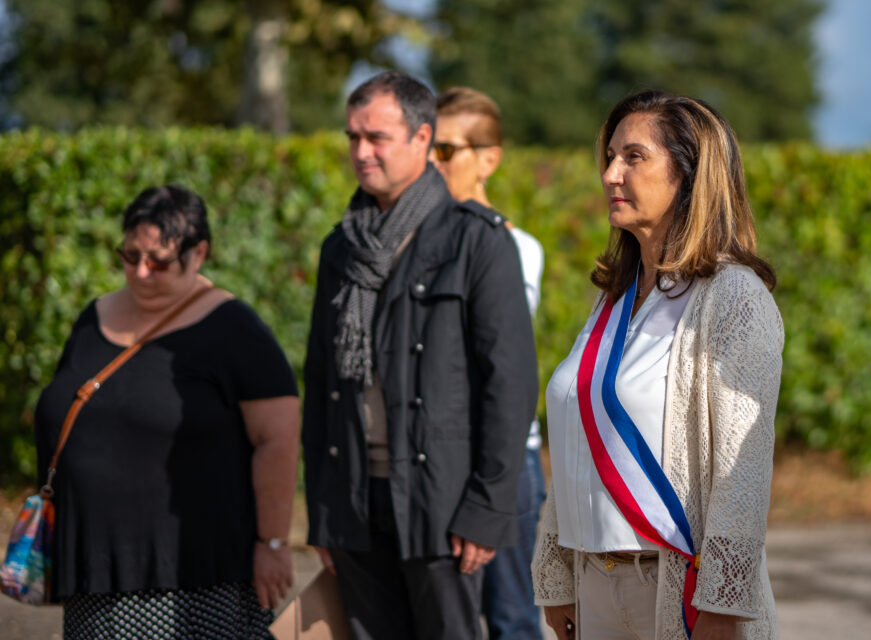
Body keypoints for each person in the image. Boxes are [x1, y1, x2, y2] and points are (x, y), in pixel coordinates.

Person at [532, 90, 784, 640]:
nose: (610, 175)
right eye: (610, 157)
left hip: (679, 590)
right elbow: (579, 437)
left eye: (634, 157)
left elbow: (742, 475)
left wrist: (722, 605)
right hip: (594, 584)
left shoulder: (733, 298)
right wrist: (556, 576)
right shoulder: (614, 300)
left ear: (688, 177)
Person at [302, 71, 538, 640]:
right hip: (355, 502)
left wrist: (487, 509)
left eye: (377, 137)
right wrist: (325, 511)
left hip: (443, 503)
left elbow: (509, 383)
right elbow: (321, 382)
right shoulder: (341, 246)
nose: (361, 152)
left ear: (421, 137)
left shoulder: (477, 240)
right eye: (352, 137)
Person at [33, 185, 299, 639]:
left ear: (199, 254)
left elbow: (278, 439)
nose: (140, 272)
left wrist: (271, 543)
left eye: (158, 261)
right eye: (129, 255)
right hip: (96, 574)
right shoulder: (92, 318)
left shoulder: (234, 328)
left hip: (192, 578)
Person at [431, 86, 547, 640]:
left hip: (503, 463)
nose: (433, 161)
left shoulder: (514, 246)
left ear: (489, 159)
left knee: (512, 623)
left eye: (447, 149)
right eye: (427, 145)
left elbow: (495, 364)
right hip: (435, 459)